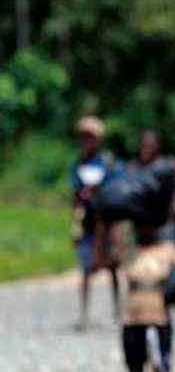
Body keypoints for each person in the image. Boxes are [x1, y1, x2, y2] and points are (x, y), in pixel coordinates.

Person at [121, 220, 175, 372]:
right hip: (132, 318)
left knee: (161, 368)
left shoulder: (169, 251)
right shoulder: (129, 252)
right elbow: (103, 258)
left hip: (160, 317)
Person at [70, 115, 121, 330]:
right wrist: (74, 225)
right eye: (84, 137)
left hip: (106, 222)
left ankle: (118, 311)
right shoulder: (78, 163)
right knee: (85, 267)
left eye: (90, 137)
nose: (87, 141)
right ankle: (84, 314)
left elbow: (117, 190)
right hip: (87, 223)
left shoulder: (107, 162)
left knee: (112, 267)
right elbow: (74, 196)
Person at [128, 129, 175, 249]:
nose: (146, 149)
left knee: (168, 255)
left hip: (167, 225)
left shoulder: (170, 166)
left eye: (150, 145)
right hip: (142, 228)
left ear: (158, 146)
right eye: (144, 145)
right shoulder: (133, 168)